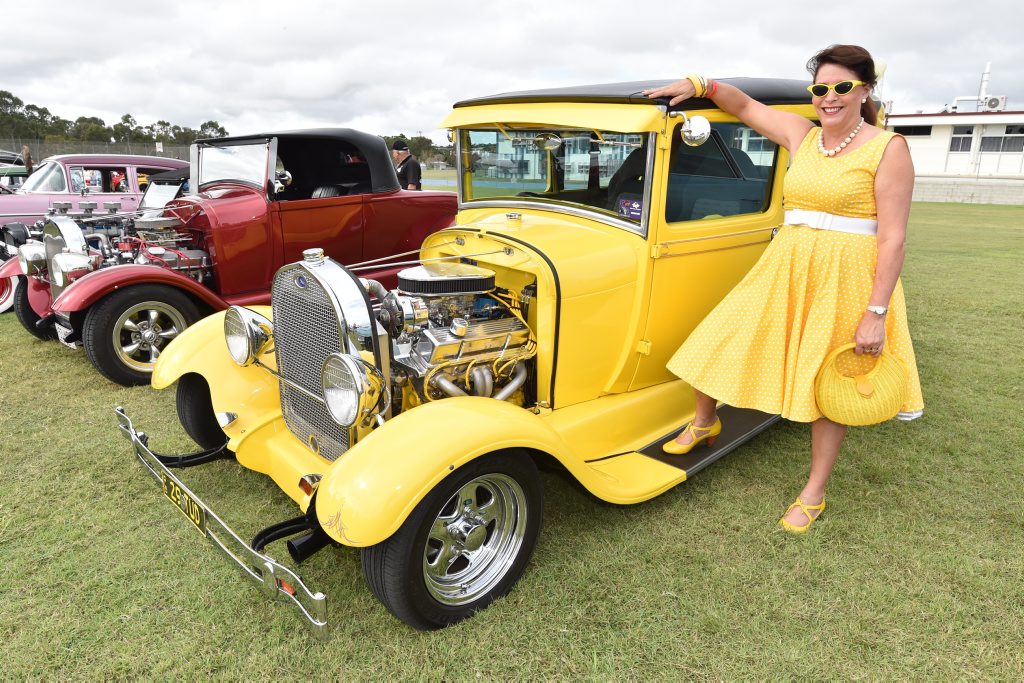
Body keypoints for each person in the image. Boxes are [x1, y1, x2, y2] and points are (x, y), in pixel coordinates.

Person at [643, 44, 923, 533]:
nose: (829, 98)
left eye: (841, 87)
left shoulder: (888, 147)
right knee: (719, 335)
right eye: (820, 89)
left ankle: (813, 494)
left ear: (865, 90)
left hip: (847, 277)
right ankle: (705, 422)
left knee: (827, 383)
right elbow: (745, 106)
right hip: (787, 265)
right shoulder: (803, 135)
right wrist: (700, 85)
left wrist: (875, 311)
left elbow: (893, 237)